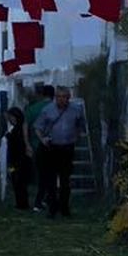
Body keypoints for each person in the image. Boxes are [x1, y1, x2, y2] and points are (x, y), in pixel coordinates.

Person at [35, 85, 87, 218]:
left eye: (64, 97)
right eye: (58, 96)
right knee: (51, 180)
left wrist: (77, 136)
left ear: (68, 98)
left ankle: (64, 208)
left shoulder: (76, 110)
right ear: (55, 97)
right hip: (52, 147)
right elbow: (38, 127)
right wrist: (43, 140)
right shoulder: (47, 110)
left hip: (67, 147)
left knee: (65, 179)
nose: (61, 99)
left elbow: (81, 124)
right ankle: (52, 208)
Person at [24, 84, 53, 211]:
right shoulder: (56, 108)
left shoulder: (32, 109)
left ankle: (41, 200)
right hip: (55, 145)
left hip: (37, 146)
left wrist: (27, 144)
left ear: (41, 94)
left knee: (42, 175)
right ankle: (46, 199)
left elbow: (25, 127)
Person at [1, 106, 33, 211]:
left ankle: (22, 204)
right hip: (17, 159)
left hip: (19, 160)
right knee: (18, 182)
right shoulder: (16, 128)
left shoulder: (19, 129)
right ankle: (21, 203)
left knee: (19, 182)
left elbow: (18, 143)